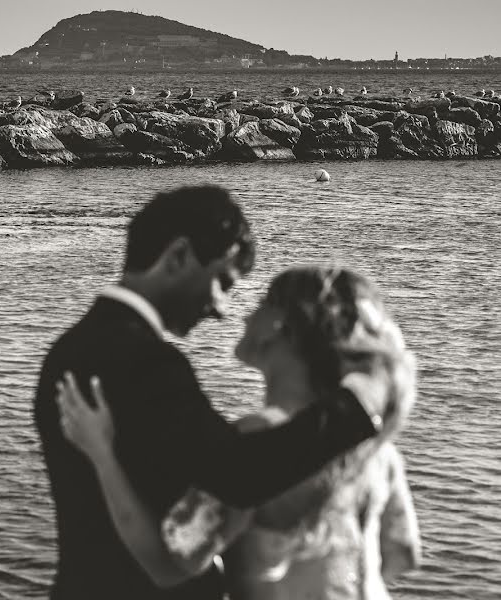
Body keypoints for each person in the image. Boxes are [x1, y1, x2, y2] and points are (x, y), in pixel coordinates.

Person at [33, 185, 387, 600]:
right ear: (179, 256)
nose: (221, 307)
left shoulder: (67, 351)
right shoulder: (149, 364)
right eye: (222, 280)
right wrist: (356, 402)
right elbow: (237, 474)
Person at [56, 266, 421, 600]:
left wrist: (101, 453)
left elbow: (166, 565)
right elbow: (401, 557)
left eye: (261, 303)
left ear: (279, 324)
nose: (244, 312)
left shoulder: (252, 445)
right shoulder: (376, 448)